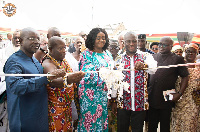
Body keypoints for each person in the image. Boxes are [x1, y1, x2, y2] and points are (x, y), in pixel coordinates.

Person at [3, 27, 64, 132]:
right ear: (21, 41)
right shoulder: (14, 61)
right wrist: (47, 78)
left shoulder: (34, 60)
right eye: (32, 38)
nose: (36, 42)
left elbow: (44, 82)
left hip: (39, 118)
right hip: (24, 120)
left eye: (38, 39)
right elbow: (15, 86)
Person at [115, 31, 157, 132]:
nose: (131, 44)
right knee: (122, 129)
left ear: (137, 42)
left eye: (134, 41)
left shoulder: (145, 56)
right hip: (123, 102)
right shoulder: (119, 59)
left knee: (138, 129)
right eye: (128, 41)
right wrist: (113, 99)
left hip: (140, 102)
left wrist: (144, 65)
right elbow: (115, 80)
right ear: (124, 43)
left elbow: (154, 69)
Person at [42, 36, 85, 131]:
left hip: (67, 107)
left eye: (65, 48)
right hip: (56, 110)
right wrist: (69, 80)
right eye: (60, 48)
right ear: (51, 50)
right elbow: (53, 81)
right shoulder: (48, 63)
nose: (64, 51)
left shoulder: (63, 61)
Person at [148, 36, 189, 132]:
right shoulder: (153, 57)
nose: (161, 47)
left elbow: (185, 77)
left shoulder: (177, 59)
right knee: (152, 125)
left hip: (167, 98)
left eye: (164, 45)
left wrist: (179, 94)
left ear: (171, 46)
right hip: (152, 96)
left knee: (165, 126)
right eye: (160, 44)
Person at [77, 28, 112, 131]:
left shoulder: (107, 54)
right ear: (92, 39)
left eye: (103, 38)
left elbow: (113, 69)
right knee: (89, 120)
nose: (101, 40)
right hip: (89, 94)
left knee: (101, 119)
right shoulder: (86, 54)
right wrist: (107, 75)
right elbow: (87, 75)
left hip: (103, 94)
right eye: (98, 38)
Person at [171, 43, 200, 132]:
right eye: (188, 52)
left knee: (190, 125)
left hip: (193, 103)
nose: (190, 54)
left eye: (193, 52)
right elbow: (169, 82)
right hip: (178, 101)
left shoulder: (198, 68)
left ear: (196, 54)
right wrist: (170, 98)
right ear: (185, 53)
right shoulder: (178, 67)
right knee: (177, 125)